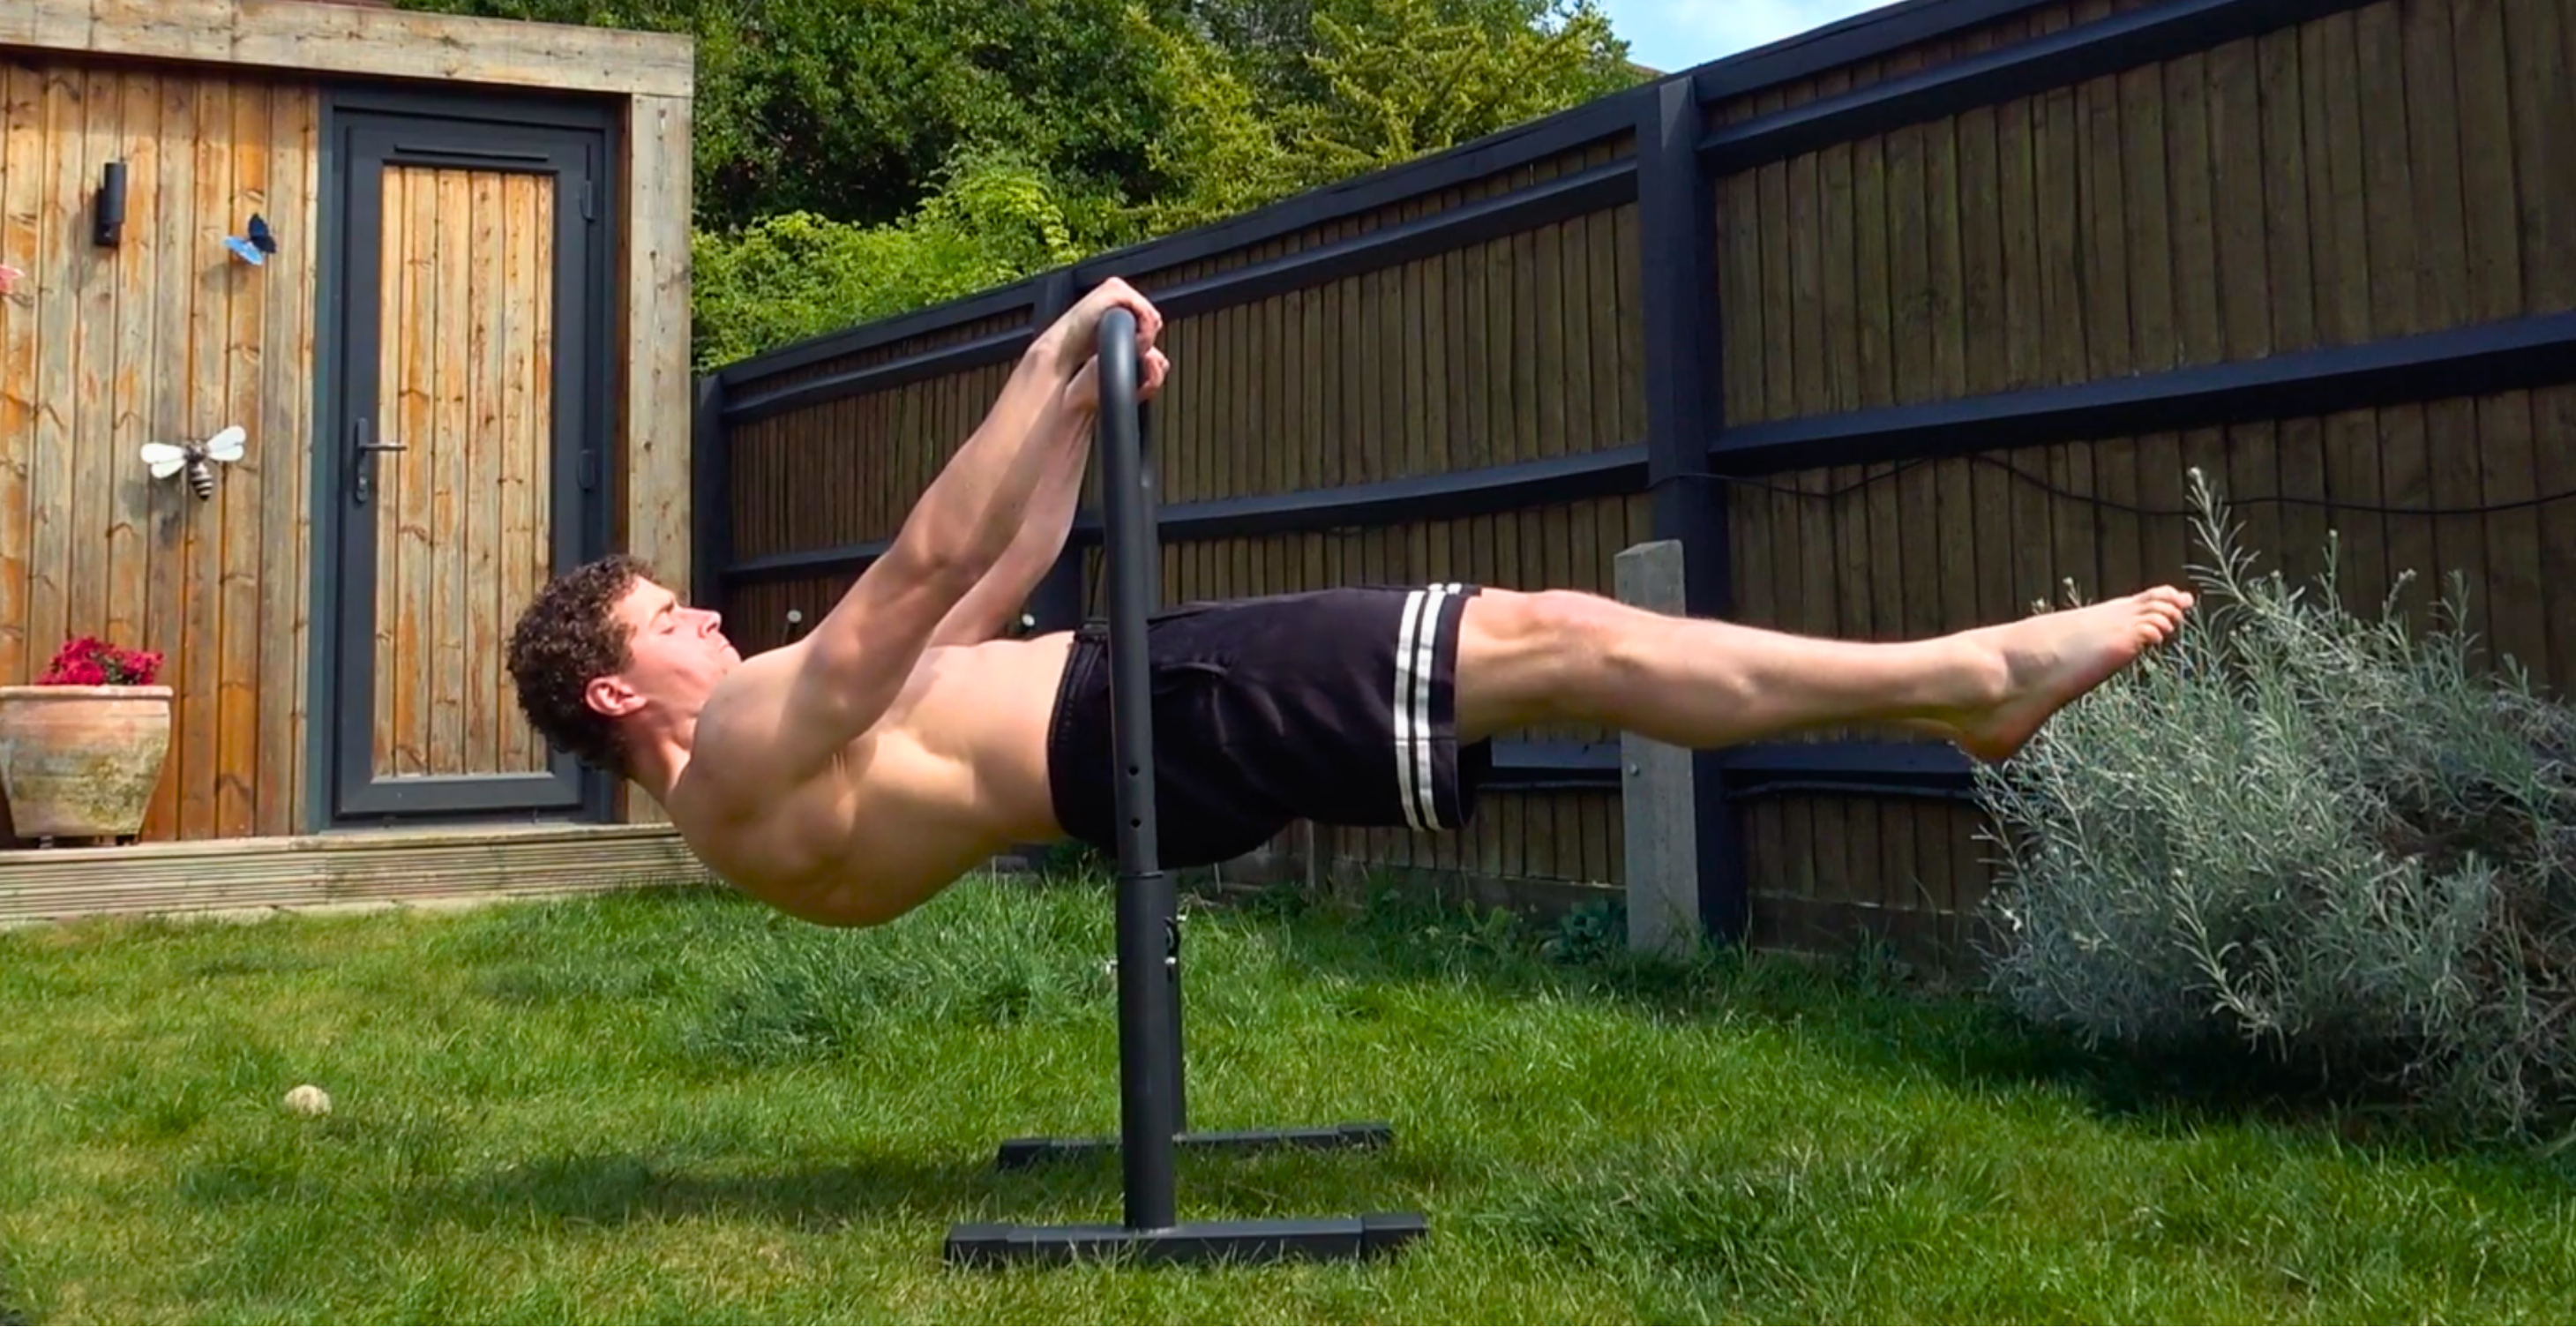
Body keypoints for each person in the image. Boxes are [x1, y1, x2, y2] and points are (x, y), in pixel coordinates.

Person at [505, 278, 2194, 929]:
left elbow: (1004, 570)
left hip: (1137, 726)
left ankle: (1954, 683)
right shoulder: (732, 765)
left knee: (1556, 656)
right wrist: (1035, 359)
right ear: (612, 694)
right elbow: (920, 576)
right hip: (1153, 719)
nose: (712, 626)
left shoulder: (754, 786)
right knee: (1561, 640)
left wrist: (1079, 419)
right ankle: (1965, 679)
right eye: (674, 621)